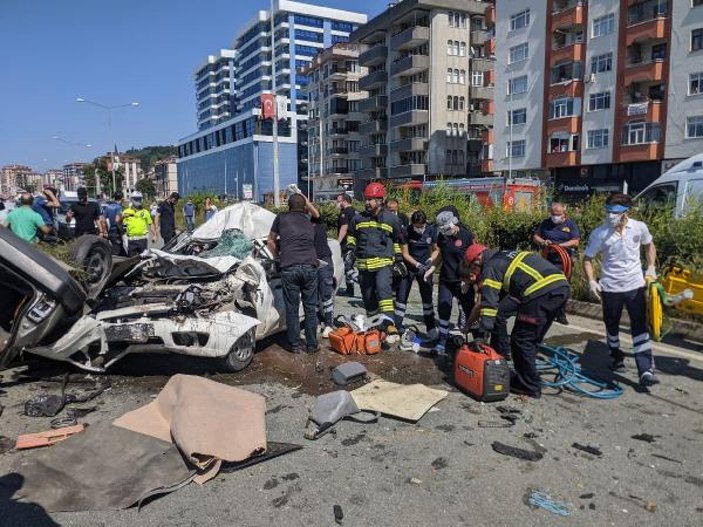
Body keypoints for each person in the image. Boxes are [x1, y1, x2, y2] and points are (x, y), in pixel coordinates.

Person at [465, 244, 570, 398]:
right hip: (560, 287)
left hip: (540, 292)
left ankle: (529, 386)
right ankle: (525, 374)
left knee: (522, 340)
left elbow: (489, 302)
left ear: (478, 258)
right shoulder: (507, 253)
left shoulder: (491, 266)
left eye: (474, 265)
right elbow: (516, 288)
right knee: (531, 340)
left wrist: (483, 332)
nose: (476, 269)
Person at [583, 193, 659, 388]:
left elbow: (649, 245)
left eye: (614, 213)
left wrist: (651, 268)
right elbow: (588, 259)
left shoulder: (639, 227)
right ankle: (616, 357)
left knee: (640, 327)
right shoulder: (599, 233)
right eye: (607, 212)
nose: (610, 216)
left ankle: (646, 370)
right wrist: (592, 281)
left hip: (635, 285)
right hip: (610, 287)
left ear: (626, 213)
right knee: (612, 326)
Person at [346, 183, 403, 338]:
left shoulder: (392, 219)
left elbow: (398, 240)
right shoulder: (358, 219)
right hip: (364, 266)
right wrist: (350, 251)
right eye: (366, 199)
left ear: (380, 200)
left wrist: (398, 260)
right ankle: (375, 326)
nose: (367, 202)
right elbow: (351, 235)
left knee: (383, 288)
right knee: (368, 297)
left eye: (371, 199)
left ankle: (389, 323)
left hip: (383, 263)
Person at [267, 193, 321, 354]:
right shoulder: (308, 219)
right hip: (310, 266)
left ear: (288, 206)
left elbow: (270, 240)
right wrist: (306, 201)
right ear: (304, 207)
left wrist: (278, 257)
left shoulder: (281, 217)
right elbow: (317, 214)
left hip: (289, 267)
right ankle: (312, 345)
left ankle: (295, 345)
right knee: (310, 308)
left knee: (292, 308)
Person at [430, 210, 476, 357]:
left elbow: (474, 259)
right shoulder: (442, 236)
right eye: (442, 230)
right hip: (446, 279)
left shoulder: (466, 236)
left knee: (469, 311)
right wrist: (431, 267)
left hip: (462, 281)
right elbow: (441, 254)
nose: (446, 232)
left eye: (447, 229)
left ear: (454, 223)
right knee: (443, 308)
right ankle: (442, 341)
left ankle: (476, 343)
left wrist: (468, 280)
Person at [533, 201, 580, 324]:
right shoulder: (545, 223)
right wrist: (543, 242)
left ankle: (561, 314)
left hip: (563, 262)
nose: (555, 216)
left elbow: (575, 241)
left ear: (564, 213)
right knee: (545, 286)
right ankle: (546, 310)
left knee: (562, 287)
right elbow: (536, 237)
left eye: (558, 214)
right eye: (553, 213)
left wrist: (560, 246)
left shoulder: (570, 225)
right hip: (547, 260)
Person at [396, 210, 439, 339]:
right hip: (409, 267)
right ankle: (396, 326)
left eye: (421, 227)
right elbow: (405, 253)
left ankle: (430, 328)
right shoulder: (407, 231)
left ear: (425, 223)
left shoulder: (431, 231)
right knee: (401, 298)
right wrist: (417, 265)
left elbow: (436, 249)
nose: (419, 229)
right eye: (416, 226)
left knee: (427, 299)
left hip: (425, 268)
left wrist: (430, 260)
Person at [312, 215, 335, 338]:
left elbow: (316, 213)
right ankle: (316, 323)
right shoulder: (301, 225)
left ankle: (329, 324)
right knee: (313, 295)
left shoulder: (318, 222)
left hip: (324, 260)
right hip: (311, 262)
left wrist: (304, 200)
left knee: (326, 294)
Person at [336, 193, 358, 297]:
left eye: (338, 201)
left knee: (347, 266)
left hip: (346, 244)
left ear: (344, 201)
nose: (337, 203)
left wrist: (337, 242)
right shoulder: (354, 211)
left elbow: (344, 227)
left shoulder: (344, 213)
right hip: (355, 243)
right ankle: (350, 289)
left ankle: (360, 283)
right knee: (349, 266)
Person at [122, 191, 155, 256]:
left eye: (139, 199)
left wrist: (155, 235)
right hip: (131, 240)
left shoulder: (145, 212)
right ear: (131, 199)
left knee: (143, 259)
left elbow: (151, 224)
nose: (138, 200)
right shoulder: (126, 212)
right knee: (132, 260)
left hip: (142, 239)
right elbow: (122, 225)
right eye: (135, 199)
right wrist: (123, 237)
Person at [103, 191, 126, 256]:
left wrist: (105, 232)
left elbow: (103, 220)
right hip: (116, 233)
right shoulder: (119, 207)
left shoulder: (108, 207)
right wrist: (122, 232)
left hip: (109, 233)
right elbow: (117, 220)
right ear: (122, 199)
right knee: (117, 253)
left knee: (114, 250)